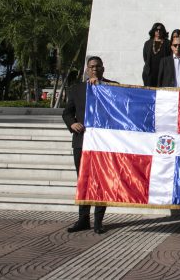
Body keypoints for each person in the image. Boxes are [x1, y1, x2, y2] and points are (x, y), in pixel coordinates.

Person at [62, 56, 117, 234]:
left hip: (103, 144)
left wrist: (101, 88)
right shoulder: (77, 89)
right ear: (87, 70)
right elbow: (67, 112)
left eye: (97, 67)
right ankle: (83, 219)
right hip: (82, 142)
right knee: (83, 180)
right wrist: (72, 123)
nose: (94, 69)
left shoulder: (113, 87)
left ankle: (99, 221)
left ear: (103, 69)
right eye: (91, 67)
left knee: (101, 181)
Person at [142, 22, 169, 87]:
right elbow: (145, 58)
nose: (158, 31)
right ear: (153, 31)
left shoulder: (168, 43)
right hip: (149, 74)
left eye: (160, 30)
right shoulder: (148, 43)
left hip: (162, 73)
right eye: (156, 30)